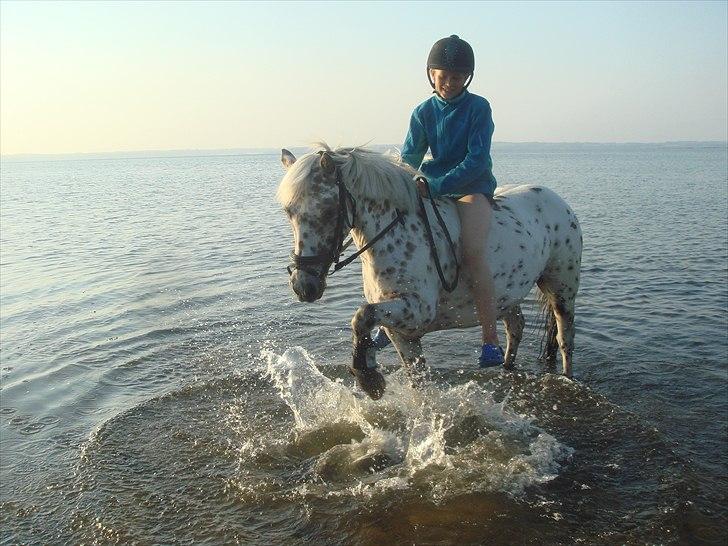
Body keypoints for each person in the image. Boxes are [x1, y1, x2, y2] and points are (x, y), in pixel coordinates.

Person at [373, 34, 504, 368]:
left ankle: (491, 340)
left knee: (472, 253)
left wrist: (436, 185)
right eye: (442, 76)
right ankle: (392, 317)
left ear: (467, 79)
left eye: (456, 78)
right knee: (397, 238)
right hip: (430, 186)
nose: (448, 83)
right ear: (431, 73)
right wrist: (401, 182)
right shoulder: (423, 112)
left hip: (471, 187)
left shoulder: (479, 108)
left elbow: (476, 160)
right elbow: (410, 157)